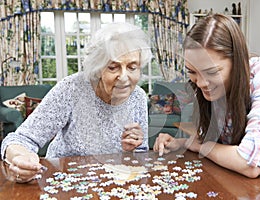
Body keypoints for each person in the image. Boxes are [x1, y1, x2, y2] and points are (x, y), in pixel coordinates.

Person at [1, 22, 152, 183]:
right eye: (113, 67)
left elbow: (140, 155)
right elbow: (19, 139)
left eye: (132, 67)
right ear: (98, 68)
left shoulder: (138, 97)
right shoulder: (72, 89)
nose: (124, 77)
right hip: (64, 179)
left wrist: (132, 149)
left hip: (112, 183)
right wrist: (21, 158)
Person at [153, 14, 260, 179]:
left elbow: (251, 163)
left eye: (212, 72)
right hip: (252, 186)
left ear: (237, 61)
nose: (201, 83)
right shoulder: (214, 92)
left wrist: (198, 145)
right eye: (192, 72)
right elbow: (215, 143)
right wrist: (181, 142)